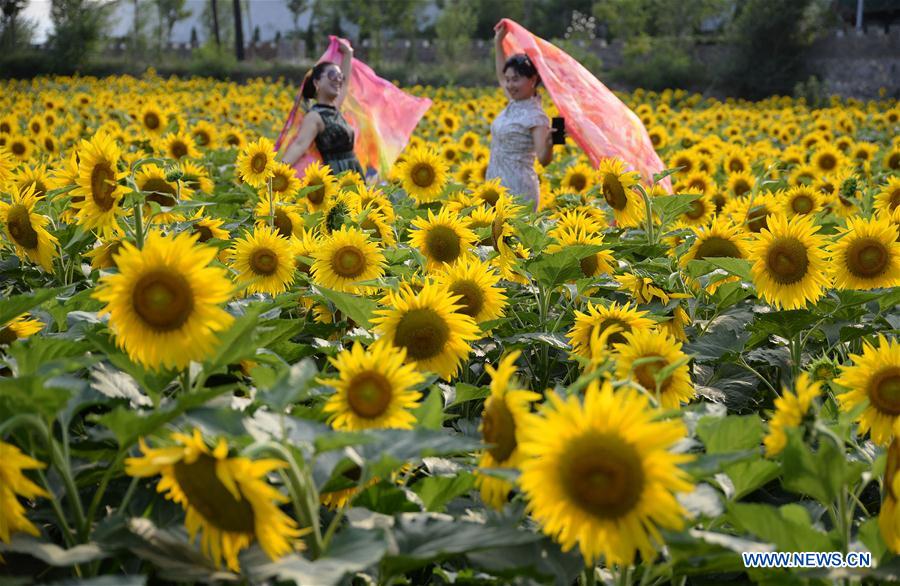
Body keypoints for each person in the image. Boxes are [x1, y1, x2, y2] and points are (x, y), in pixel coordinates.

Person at [486, 22, 553, 208]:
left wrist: (550, 143)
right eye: (508, 80)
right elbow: (501, 77)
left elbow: (544, 159)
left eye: (515, 79)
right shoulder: (514, 102)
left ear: (532, 80)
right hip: (495, 188)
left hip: (519, 190)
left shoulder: (537, 117)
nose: (509, 85)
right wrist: (498, 41)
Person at [282, 39, 364, 177]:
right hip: (336, 175)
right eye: (332, 75)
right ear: (317, 82)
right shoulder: (314, 117)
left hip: (353, 173)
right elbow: (299, 145)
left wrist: (348, 53)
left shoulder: (334, 110)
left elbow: (344, 85)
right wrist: (276, 172)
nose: (338, 79)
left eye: (340, 76)